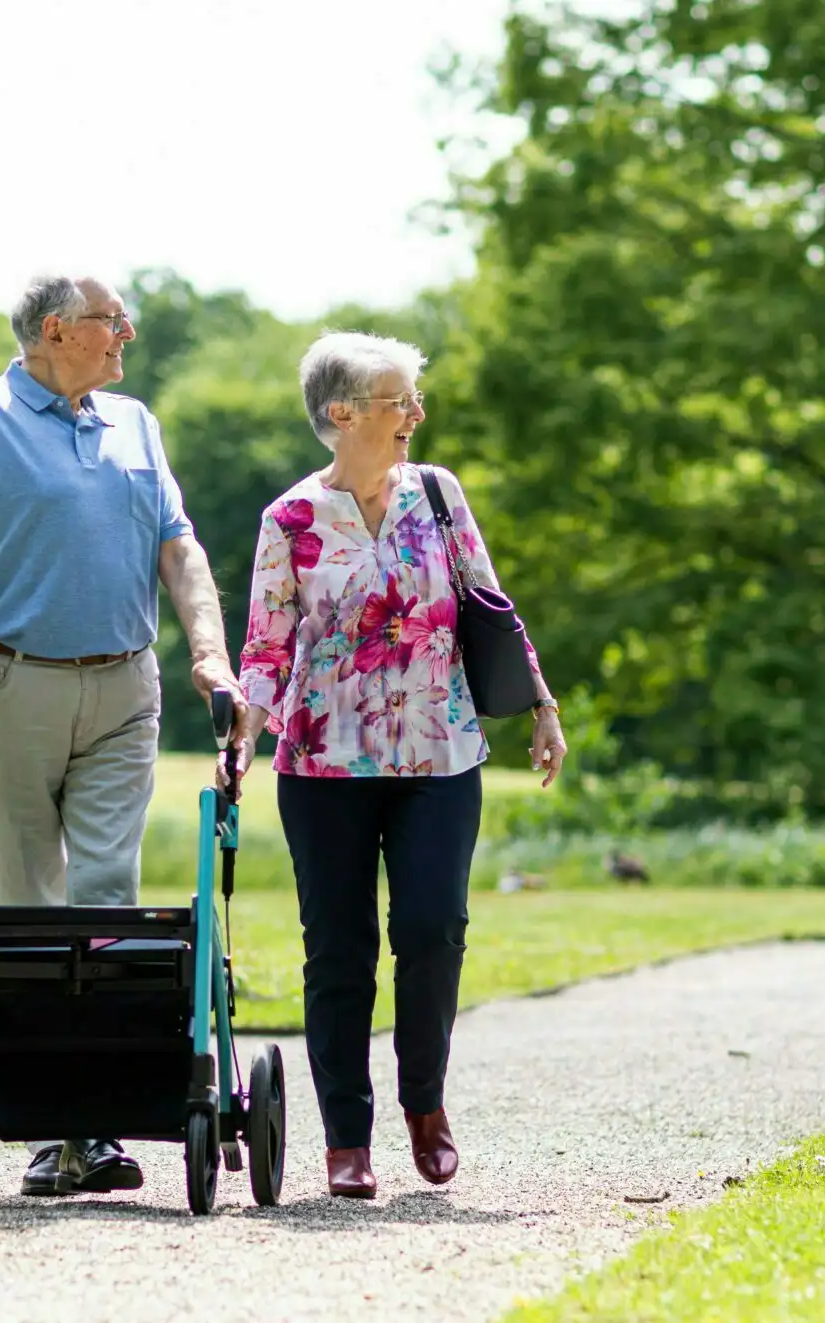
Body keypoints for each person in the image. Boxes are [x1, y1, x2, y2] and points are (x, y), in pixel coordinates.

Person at [0, 273, 249, 1197]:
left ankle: (92, 1125)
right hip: (14, 683)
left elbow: (180, 548)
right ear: (56, 330)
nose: (126, 331)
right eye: (110, 320)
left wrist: (211, 658)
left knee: (105, 899)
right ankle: (45, 1124)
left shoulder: (135, 422)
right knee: (24, 907)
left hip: (125, 682)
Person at [231, 331, 567, 1199]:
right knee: (338, 950)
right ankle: (348, 1137)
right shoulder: (290, 520)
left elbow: (491, 602)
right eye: (397, 401)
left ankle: (425, 1103)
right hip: (322, 761)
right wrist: (243, 732)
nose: (415, 414)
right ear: (341, 413)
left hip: (439, 750)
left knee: (430, 930)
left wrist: (541, 704)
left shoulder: (439, 494)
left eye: (413, 400)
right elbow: (267, 645)